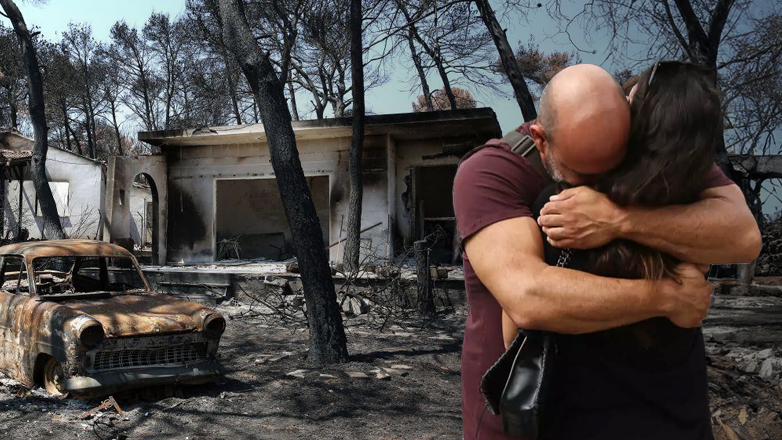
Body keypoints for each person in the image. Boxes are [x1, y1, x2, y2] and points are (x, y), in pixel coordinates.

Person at [452, 63, 762, 440]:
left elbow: (744, 236)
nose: (598, 186)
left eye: (613, 165)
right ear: (540, 139)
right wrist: (666, 296)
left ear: (628, 118)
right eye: (582, 172)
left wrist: (619, 219)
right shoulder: (492, 171)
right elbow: (529, 299)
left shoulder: (645, 150)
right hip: (518, 422)